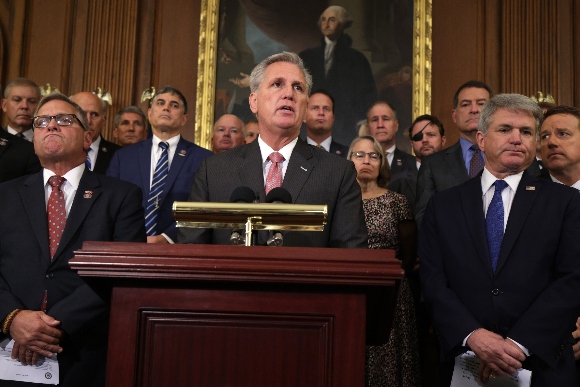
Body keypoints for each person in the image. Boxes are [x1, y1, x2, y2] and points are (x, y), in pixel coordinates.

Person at [420, 94, 580, 386]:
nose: (517, 139)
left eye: (527, 132)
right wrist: (475, 336)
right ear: (481, 140)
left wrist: (518, 345)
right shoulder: (443, 205)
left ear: (535, 144)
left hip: (543, 365)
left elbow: (572, 278)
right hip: (466, 361)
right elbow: (432, 281)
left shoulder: (566, 202)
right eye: (505, 129)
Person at [0, 93, 146, 386]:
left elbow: (121, 273)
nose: (51, 125)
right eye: (42, 122)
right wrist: (14, 319)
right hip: (8, 349)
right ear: (33, 138)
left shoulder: (122, 196)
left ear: (87, 137)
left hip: (85, 353)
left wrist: (48, 328)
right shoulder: (4, 195)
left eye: (64, 120)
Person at [178, 51, 367, 248]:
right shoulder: (214, 170)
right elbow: (192, 249)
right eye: (277, 84)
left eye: (298, 87)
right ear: (253, 102)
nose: (288, 94)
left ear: (305, 109)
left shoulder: (337, 173)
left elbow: (351, 255)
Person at [348, 135, 420, 385]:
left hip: (391, 296)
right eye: (359, 155)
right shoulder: (341, 203)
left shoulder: (397, 202)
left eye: (374, 155)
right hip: (351, 291)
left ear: (381, 163)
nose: (366, 160)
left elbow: (409, 258)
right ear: (349, 162)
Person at [107, 86, 213, 244]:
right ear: (150, 114)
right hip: (128, 246)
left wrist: (167, 237)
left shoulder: (203, 158)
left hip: (180, 249)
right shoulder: (123, 157)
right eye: (160, 103)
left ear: (184, 118)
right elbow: (110, 203)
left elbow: (204, 208)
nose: (166, 108)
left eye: (174, 105)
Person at [414, 80, 492, 226]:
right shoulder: (433, 164)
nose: (474, 109)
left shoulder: (512, 157)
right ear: (454, 116)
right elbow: (424, 218)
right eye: (466, 104)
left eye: (481, 103)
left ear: (493, 113)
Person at [299, 5, 377, 146]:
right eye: (323, 20)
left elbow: (367, 94)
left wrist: (362, 123)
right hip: (310, 127)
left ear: (342, 24)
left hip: (345, 128)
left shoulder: (357, 59)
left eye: (332, 20)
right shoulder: (306, 57)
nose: (326, 24)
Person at [389, 114, 446, 217]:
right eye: (418, 137)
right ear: (412, 143)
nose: (424, 140)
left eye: (431, 135)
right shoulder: (398, 183)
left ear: (443, 140)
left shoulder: (457, 174)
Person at [364, 101, 416, 182]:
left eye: (385, 119)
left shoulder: (412, 163)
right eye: (375, 120)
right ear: (368, 128)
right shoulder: (357, 163)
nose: (380, 125)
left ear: (396, 126)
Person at [71, 92, 121, 174]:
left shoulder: (119, 155)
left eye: (94, 115)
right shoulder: (55, 152)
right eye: (82, 114)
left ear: (104, 120)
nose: (88, 121)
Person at [304, 89, 349, 158]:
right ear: (304, 116)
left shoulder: (348, 154)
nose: (321, 113)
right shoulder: (294, 153)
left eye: (326, 109)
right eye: (315, 108)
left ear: (333, 118)